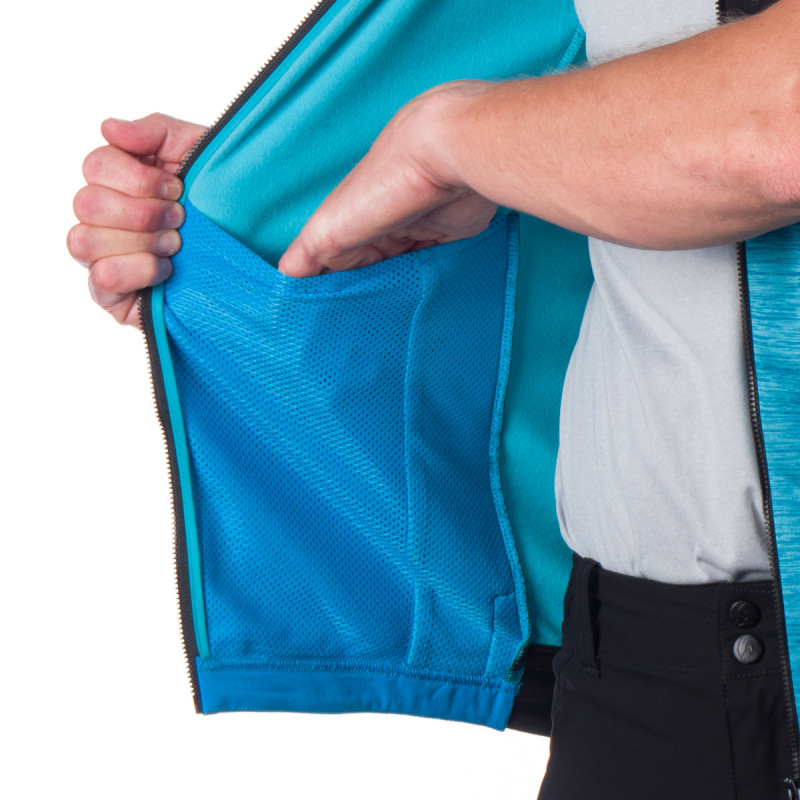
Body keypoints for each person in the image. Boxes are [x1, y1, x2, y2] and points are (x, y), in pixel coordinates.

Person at [67, 1, 800, 797]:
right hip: (639, 667)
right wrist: (257, 213)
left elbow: (776, 125)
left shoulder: (448, 135)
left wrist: (443, 139)